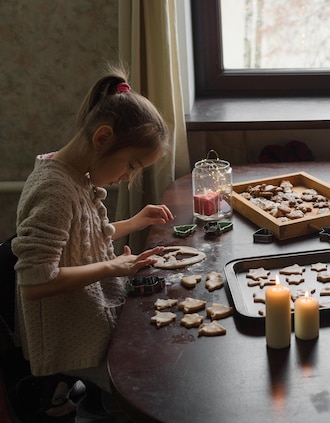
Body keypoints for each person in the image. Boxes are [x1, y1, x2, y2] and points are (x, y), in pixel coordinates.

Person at [11, 65, 174, 417]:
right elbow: (36, 282)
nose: (129, 176)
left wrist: (134, 222)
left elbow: (82, 238)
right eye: (131, 164)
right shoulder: (54, 189)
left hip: (91, 315)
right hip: (70, 336)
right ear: (103, 138)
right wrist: (112, 266)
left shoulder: (74, 175)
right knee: (148, 385)